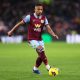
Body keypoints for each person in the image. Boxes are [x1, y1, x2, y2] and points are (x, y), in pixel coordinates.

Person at [8, 3, 59, 74]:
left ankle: (35, 69)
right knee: (41, 50)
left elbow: (48, 28)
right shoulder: (29, 17)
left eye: (41, 9)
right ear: (35, 9)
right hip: (31, 39)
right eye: (38, 9)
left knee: (41, 56)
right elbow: (19, 23)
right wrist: (11, 31)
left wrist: (53, 34)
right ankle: (49, 68)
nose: (40, 11)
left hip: (40, 39)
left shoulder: (44, 18)